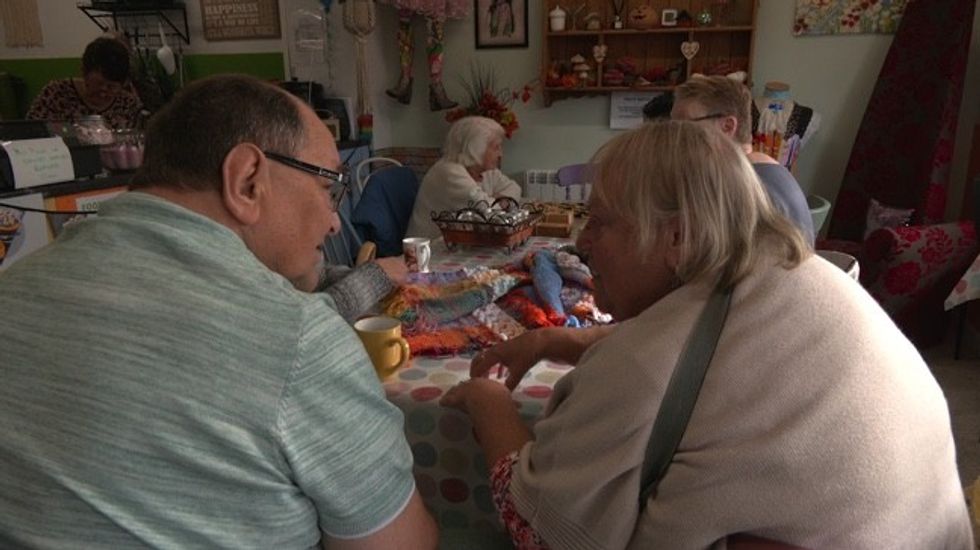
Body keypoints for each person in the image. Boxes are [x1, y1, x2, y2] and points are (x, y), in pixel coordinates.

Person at [442, 121, 973, 548]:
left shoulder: (642, 362)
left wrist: (491, 407)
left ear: (678, 237)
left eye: (601, 221)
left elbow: (537, 530)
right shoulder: (794, 275)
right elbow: (712, 361)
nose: (584, 241)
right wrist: (549, 340)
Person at [0, 75, 437, 549]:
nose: (335, 218)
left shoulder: (12, 290)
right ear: (247, 179)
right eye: (327, 184)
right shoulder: (299, 338)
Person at [671, 75, 815, 245]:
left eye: (684, 126)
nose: (674, 136)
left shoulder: (740, 188)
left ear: (727, 127)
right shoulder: (768, 168)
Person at [405, 115, 522, 239]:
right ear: (477, 148)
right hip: (429, 250)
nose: (500, 154)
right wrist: (498, 203)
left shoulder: (485, 170)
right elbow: (489, 213)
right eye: (496, 147)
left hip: (460, 245)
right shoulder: (449, 171)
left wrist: (500, 201)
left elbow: (514, 188)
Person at [27, 36, 143, 129]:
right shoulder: (56, 94)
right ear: (83, 72)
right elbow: (30, 131)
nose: (103, 93)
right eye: (98, 84)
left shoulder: (129, 105)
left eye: (111, 87)